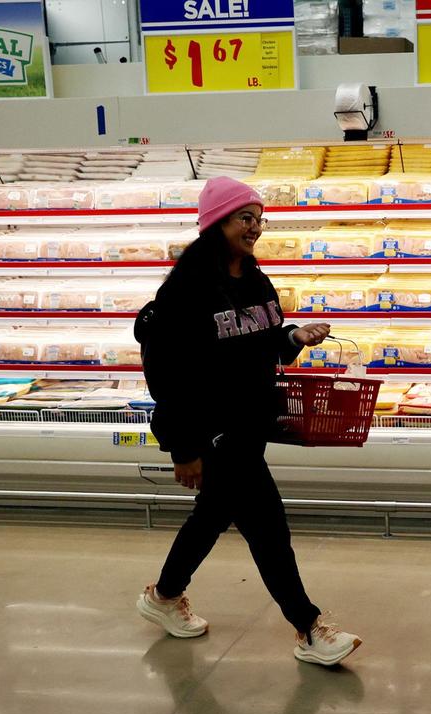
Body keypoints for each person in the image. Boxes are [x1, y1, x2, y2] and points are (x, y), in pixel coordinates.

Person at [134, 176, 361, 666]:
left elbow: (262, 340)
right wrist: (184, 448)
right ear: (217, 222)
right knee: (267, 525)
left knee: (212, 516)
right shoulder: (187, 291)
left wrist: (294, 336)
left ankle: (164, 596)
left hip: (251, 425)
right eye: (245, 218)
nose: (256, 227)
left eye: (259, 218)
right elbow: (164, 375)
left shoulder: (256, 279)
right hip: (215, 432)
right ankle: (309, 628)